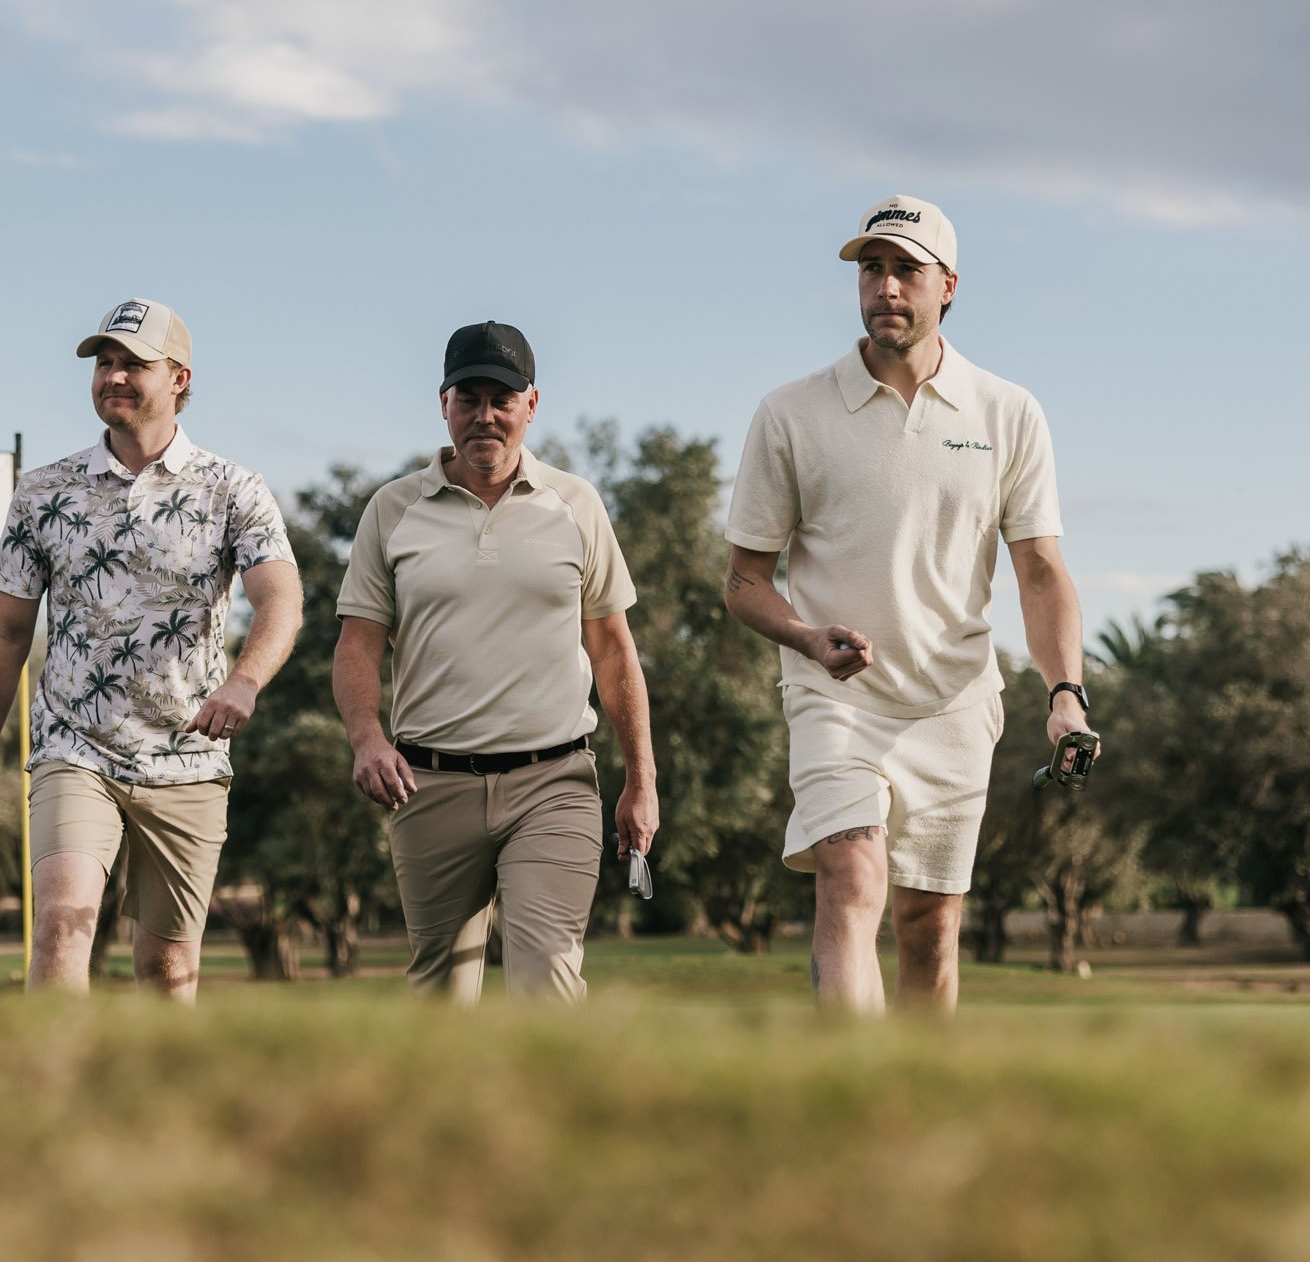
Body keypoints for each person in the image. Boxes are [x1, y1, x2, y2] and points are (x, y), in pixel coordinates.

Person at [723, 195, 1094, 1014]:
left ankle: (920, 1110)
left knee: (928, 923)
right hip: (836, 697)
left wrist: (1064, 695)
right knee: (850, 882)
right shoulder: (791, 413)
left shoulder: (1008, 412)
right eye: (871, 269)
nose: (885, 287)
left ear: (947, 285)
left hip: (956, 702)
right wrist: (807, 638)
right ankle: (850, 1101)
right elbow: (744, 579)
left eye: (905, 270)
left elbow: (1039, 571)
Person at [0, 297, 303, 1001]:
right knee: (59, 925)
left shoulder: (235, 489)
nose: (113, 376)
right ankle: (51, 1103)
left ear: (178, 377)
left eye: (132, 364)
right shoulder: (44, 491)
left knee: (168, 971)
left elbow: (281, 600)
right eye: (104, 363)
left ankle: (155, 1111)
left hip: (190, 757)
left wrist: (245, 682)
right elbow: (7, 633)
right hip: (75, 748)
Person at [332, 320, 657, 1002]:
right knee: (440, 1001)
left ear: (530, 406)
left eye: (501, 399)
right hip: (428, 785)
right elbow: (359, 642)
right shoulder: (392, 511)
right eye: (468, 398)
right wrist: (367, 738)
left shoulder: (577, 505)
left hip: (554, 780)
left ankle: (554, 1111)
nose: (485, 416)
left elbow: (612, 648)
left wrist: (641, 780)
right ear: (443, 404)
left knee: (548, 977)